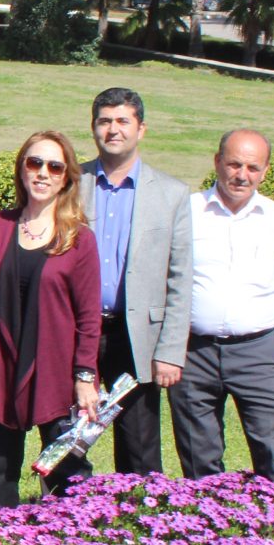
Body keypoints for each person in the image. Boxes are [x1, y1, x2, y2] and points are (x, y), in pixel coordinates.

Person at [170, 129, 274, 506]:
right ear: (217, 162)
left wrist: (258, 332)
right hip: (193, 353)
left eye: (252, 167)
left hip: (258, 354)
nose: (241, 174)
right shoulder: (187, 212)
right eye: (234, 163)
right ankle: (212, 542)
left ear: (264, 172)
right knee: (199, 459)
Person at [0, 130, 103, 506]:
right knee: (0, 472)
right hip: (1, 364)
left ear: (67, 177)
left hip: (55, 370)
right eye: (34, 163)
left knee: (66, 471)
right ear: (21, 170)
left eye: (54, 166)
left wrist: (85, 376)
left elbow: (88, 316)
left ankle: (69, 541)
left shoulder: (78, 238)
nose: (43, 173)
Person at [78, 88, 193, 475]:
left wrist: (171, 350)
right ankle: (65, 517)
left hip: (136, 334)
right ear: (93, 128)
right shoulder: (72, 184)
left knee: (139, 441)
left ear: (141, 129)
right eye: (105, 121)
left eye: (123, 121)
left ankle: (138, 517)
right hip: (82, 331)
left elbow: (180, 277)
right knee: (72, 431)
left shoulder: (172, 194)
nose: (113, 130)